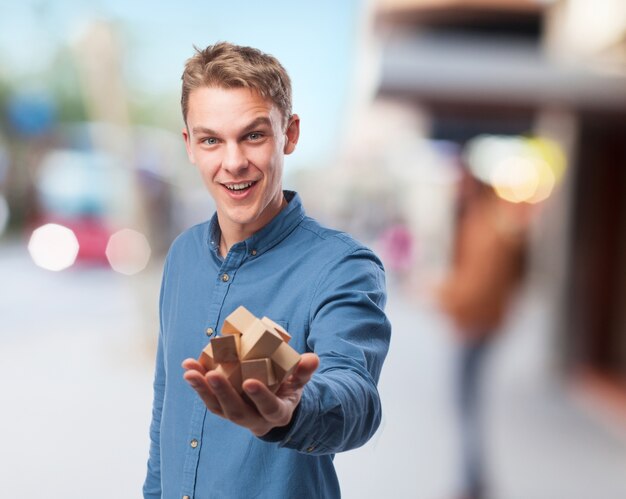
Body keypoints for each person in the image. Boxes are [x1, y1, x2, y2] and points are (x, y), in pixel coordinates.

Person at [143, 42, 391, 499]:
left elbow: (356, 394)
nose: (233, 162)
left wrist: (291, 413)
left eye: (254, 135)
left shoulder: (343, 267)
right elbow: (167, 411)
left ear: (289, 134)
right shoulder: (181, 256)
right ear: (190, 146)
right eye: (211, 139)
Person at [437, 167, 530, 499]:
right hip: (479, 323)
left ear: (473, 187)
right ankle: (473, 476)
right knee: (467, 403)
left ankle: (473, 479)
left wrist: (442, 295)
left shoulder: (485, 226)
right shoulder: (485, 221)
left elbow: (478, 286)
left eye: (460, 185)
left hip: (475, 326)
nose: (455, 192)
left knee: (467, 404)